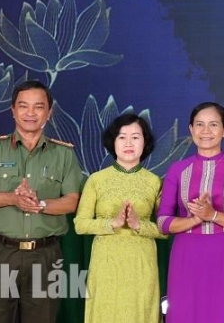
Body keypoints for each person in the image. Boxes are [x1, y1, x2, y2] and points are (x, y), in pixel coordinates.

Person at [0, 80, 84, 323]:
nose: (30, 113)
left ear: (49, 112)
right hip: (0, 253)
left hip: (45, 255)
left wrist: (41, 205)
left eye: (38, 107)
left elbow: (72, 201)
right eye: (23, 106)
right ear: (13, 111)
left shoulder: (64, 154)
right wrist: (12, 198)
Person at [156, 102, 224, 323]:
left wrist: (213, 215)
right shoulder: (177, 170)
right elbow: (163, 222)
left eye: (213, 125)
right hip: (186, 255)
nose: (206, 131)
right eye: (199, 124)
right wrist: (195, 219)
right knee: (184, 314)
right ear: (191, 129)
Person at [75, 113, 165, 322]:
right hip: (106, 264)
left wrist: (139, 225)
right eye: (122, 137)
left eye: (135, 137)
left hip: (141, 264)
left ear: (145, 142)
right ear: (112, 142)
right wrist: (112, 223)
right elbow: (80, 224)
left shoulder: (154, 182)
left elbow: (166, 229)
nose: (128, 143)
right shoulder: (96, 180)